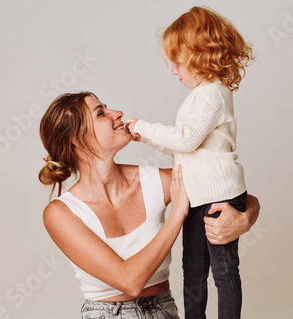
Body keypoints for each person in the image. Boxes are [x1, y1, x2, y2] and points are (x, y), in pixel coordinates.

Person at [38, 91, 260, 318]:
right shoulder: (62, 213)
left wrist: (246, 217)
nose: (118, 114)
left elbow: (227, 189)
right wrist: (177, 215)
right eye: (101, 113)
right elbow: (130, 281)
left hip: (163, 310)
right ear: (76, 138)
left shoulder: (152, 181)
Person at [125, 6, 254, 319]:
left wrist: (142, 126)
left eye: (177, 61)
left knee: (223, 272)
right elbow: (183, 144)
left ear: (202, 55)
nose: (173, 70)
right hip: (196, 196)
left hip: (219, 196)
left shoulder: (213, 93)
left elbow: (185, 140)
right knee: (193, 270)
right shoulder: (199, 95)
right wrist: (144, 137)